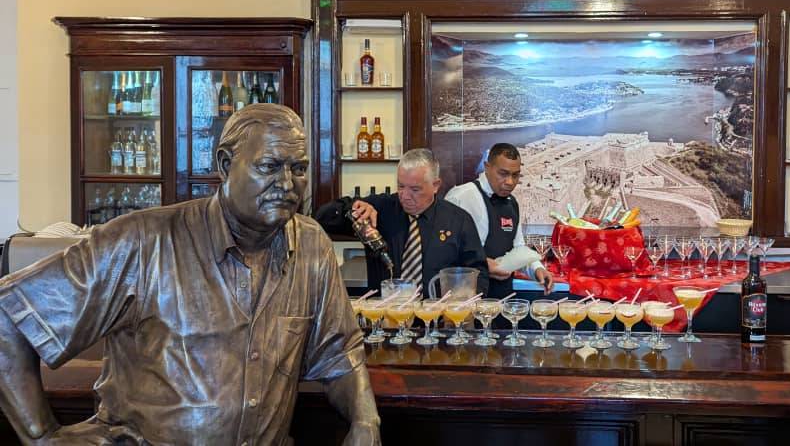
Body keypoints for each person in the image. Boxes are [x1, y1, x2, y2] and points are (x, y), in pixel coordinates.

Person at [0, 104, 380, 445]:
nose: (287, 184)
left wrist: (366, 420)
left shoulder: (311, 246)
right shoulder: (141, 241)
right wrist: (42, 437)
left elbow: (338, 352)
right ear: (224, 164)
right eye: (269, 166)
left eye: (298, 169)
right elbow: (8, 319)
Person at [315, 148, 488, 296]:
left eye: (415, 189)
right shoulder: (379, 210)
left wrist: (459, 307)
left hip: (437, 321)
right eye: (400, 186)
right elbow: (322, 219)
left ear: (435, 185)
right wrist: (351, 208)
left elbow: (479, 274)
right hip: (387, 319)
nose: (405, 196)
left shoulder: (458, 220)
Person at [445, 143, 554, 298]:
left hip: (502, 298)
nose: (510, 182)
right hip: (465, 297)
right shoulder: (460, 197)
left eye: (515, 175)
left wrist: (537, 269)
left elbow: (518, 248)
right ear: (487, 167)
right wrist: (483, 264)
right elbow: (444, 252)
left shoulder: (512, 203)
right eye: (503, 174)